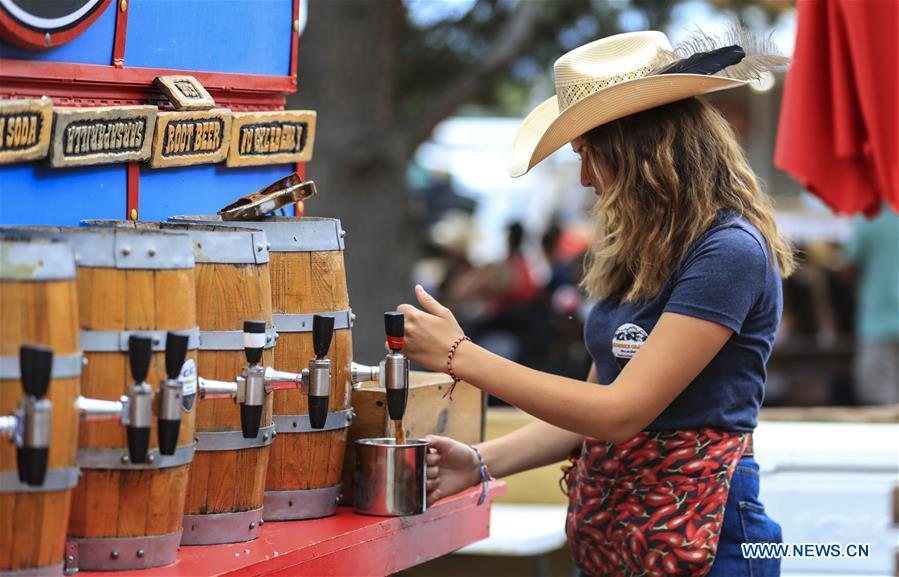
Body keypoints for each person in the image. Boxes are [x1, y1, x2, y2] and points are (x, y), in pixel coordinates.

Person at [396, 30, 793, 577]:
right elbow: (589, 408)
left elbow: (619, 414)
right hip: (624, 532)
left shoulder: (729, 250)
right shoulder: (640, 253)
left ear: (639, 147)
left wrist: (460, 355)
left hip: (715, 535)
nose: (585, 178)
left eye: (589, 154)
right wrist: (480, 464)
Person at [844, 204, 899, 405]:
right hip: (878, 324)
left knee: (880, 410)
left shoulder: (869, 215)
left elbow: (849, 266)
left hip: (878, 324)